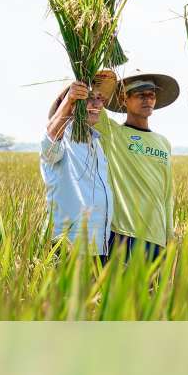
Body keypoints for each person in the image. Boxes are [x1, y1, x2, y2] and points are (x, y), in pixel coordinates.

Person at [51, 70, 179, 261]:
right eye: (140, 94)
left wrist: (170, 235)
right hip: (123, 235)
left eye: (151, 94)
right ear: (123, 98)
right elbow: (69, 109)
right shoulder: (111, 133)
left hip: (158, 238)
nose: (147, 99)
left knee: (154, 291)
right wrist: (74, 92)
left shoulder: (163, 142)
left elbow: (167, 193)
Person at [40, 71, 117, 261]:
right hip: (68, 247)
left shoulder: (96, 142)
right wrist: (69, 100)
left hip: (99, 246)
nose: (97, 105)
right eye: (89, 98)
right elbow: (49, 143)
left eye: (99, 99)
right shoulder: (63, 135)